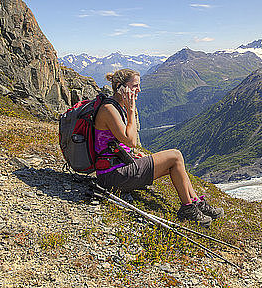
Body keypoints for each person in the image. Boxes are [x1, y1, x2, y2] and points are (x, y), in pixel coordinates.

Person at [94, 68, 223, 226]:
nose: (139, 90)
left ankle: (195, 203)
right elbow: (131, 141)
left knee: (175, 162)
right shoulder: (109, 109)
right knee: (175, 156)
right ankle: (188, 208)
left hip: (120, 168)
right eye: (135, 86)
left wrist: (132, 156)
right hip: (112, 176)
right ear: (122, 87)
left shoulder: (117, 106)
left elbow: (117, 144)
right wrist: (131, 110)